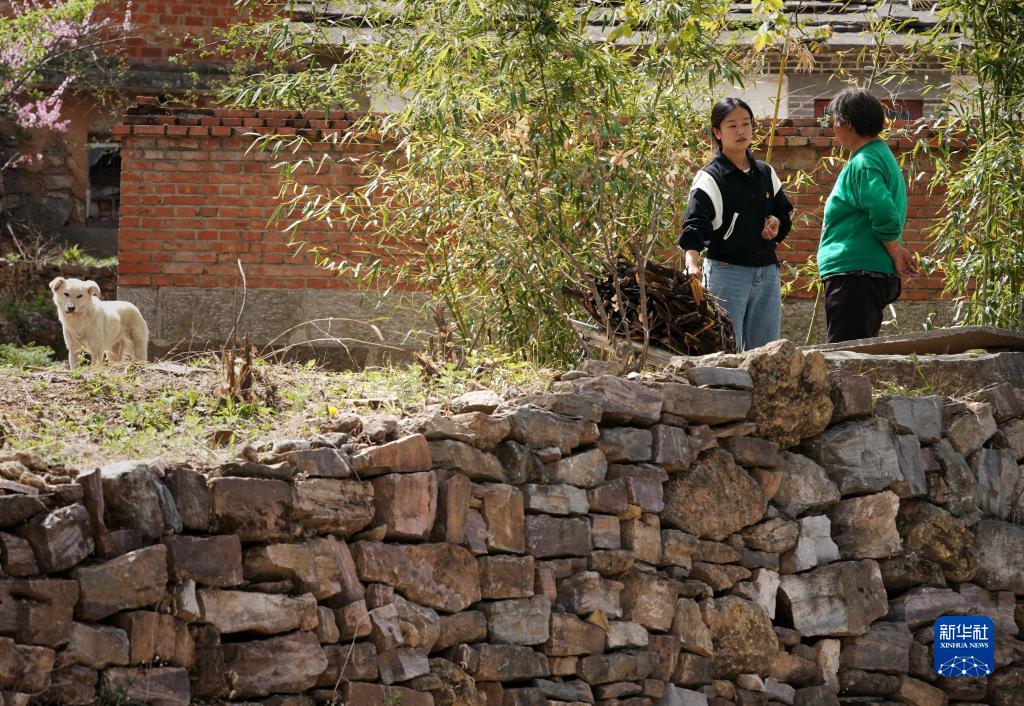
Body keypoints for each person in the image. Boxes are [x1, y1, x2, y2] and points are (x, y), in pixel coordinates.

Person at [680, 97, 794, 351]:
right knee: (725, 352)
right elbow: (694, 224)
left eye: (746, 123)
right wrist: (691, 263)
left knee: (767, 355)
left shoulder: (765, 173)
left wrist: (775, 222)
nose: (741, 130)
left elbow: (783, 211)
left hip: (767, 274)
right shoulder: (709, 178)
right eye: (732, 125)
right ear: (717, 132)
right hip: (726, 274)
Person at [818, 87, 918, 343]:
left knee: (845, 357)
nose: (833, 127)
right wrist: (895, 249)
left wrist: (895, 251)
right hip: (863, 274)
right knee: (857, 354)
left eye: (834, 120)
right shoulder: (878, 155)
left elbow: (884, 212)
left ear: (847, 123)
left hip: (856, 276)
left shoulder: (864, 162)